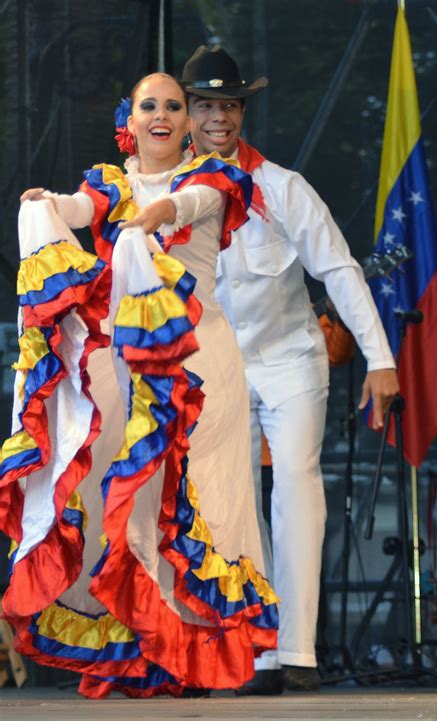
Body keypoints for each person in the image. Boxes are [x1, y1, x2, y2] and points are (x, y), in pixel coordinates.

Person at [0, 72, 278, 699]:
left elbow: (183, 207)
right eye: (149, 105)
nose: (161, 115)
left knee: (203, 499)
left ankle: (194, 652)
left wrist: (153, 215)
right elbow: (79, 210)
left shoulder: (214, 176)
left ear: (187, 122)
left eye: (173, 107)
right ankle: (141, 650)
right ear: (133, 117)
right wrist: (47, 206)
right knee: (126, 506)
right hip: (121, 368)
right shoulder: (109, 181)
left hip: (199, 365)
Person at [181, 46, 400, 694]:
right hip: (219, 368)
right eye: (206, 105)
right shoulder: (172, 193)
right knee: (233, 498)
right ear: (189, 114)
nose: (218, 117)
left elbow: (339, 268)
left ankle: (299, 649)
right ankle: (260, 648)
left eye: (228, 105)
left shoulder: (281, 187)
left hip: (290, 359)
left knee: (297, 477)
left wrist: (381, 358)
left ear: (242, 111)